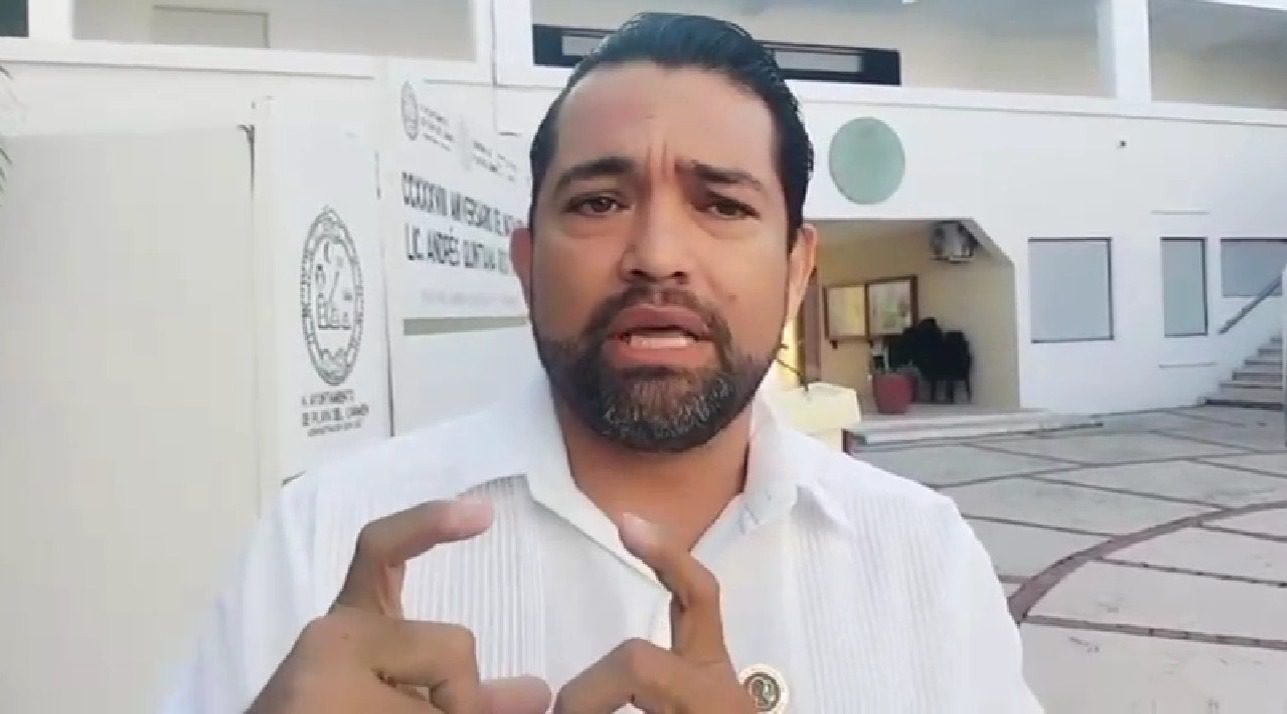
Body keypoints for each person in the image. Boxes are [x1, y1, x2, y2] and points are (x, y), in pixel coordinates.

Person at [163, 12, 1041, 713]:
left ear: (797, 267)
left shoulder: (921, 558)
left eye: (721, 205)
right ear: (524, 264)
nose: (657, 254)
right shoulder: (321, 540)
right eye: (597, 202)